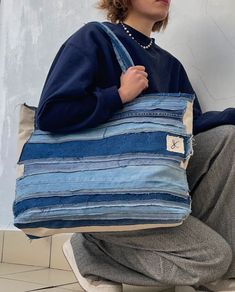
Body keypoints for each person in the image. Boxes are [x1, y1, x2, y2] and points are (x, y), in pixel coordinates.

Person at [36, 0, 235, 291]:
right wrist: (117, 95)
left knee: (228, 137)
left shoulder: (170, 65)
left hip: (155, 189)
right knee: (214, 259)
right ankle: (89, 250)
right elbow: (51, 115)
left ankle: (208, 269)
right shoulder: (93, 38)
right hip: (107, 193)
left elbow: (192, 130)